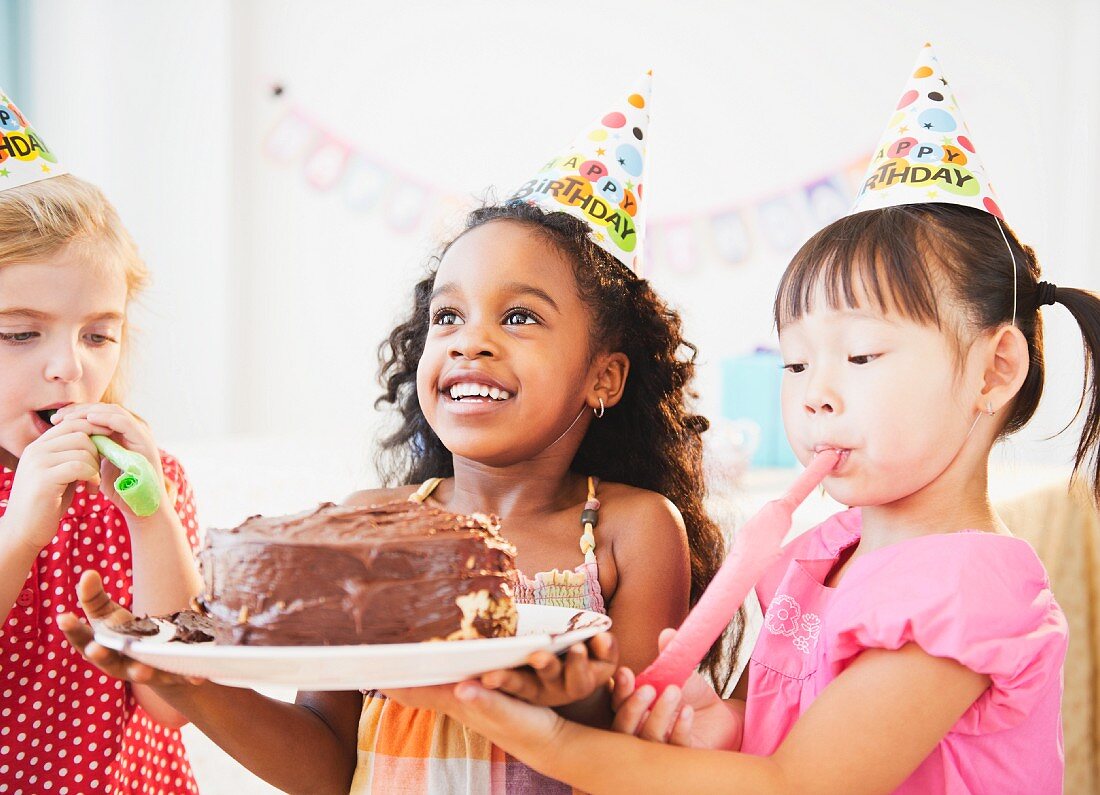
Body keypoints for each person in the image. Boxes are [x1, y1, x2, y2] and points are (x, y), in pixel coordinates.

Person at [0, 87, 203, 793]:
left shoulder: (154, 476)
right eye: (20, 333)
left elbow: (171, 701)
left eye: (98, 334)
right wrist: (18, 535)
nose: (70, 366)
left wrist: (152, 518)